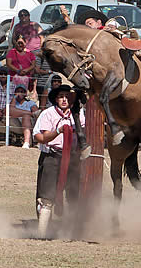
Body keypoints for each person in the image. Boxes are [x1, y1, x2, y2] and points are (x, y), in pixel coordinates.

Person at [33, 84, 84, 219]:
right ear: (56, 99)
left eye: (67, 97)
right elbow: (41, 137)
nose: (64, 100)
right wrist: (58, 131)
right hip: (52, 156)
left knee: (74, 193)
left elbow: (84, 132)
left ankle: (71, 227)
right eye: (61, 97)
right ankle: (44, 229)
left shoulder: (78, 115)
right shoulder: (47, 114)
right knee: (46, 195)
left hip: (73, 157)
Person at [9, 84, 39, 149]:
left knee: (26, 117)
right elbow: (10, 110)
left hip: (29, 122)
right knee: (24, 114)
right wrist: (14, 97)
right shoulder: (13, 102)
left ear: (25, 93)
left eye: (22, 92)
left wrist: (21, 113)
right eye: (18, 91)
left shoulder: (30, 103)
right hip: (16, 122)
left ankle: (27, 142)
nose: (20, 93)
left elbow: (35, 113)